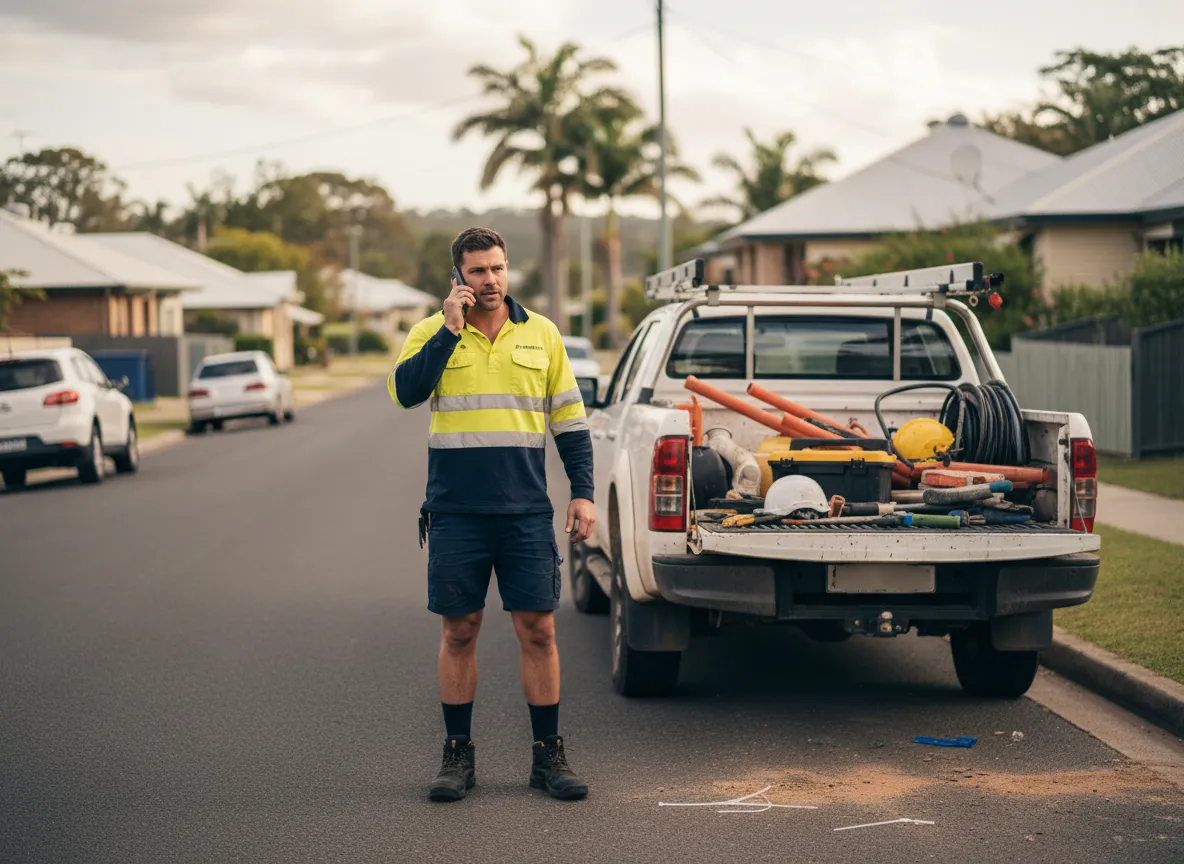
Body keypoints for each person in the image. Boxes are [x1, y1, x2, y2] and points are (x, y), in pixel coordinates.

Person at [388, 227, 595, 802]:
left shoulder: (543, 335)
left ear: (509, 270)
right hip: (456, 512)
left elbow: (571, 424)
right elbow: (406, 393)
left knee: (539, 630)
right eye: (477, 271)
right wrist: (448, 332)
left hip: (526, 512)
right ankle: (458, 758)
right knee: (459, 631)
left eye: (497, 268)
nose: (490, 280)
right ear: (458, 277)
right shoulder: (431, 332)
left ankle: (547, 758)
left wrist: (583, 492)